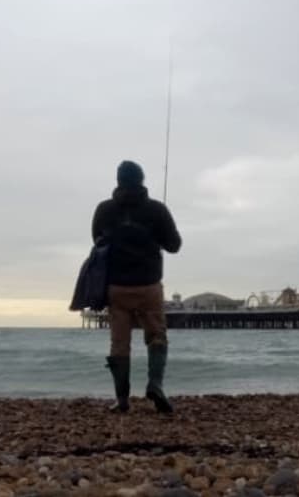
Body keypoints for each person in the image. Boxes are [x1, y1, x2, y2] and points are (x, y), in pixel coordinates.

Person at [91, 159, 182, 413]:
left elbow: (97, 240)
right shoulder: (157, 210)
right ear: (142, 181)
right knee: (156, 336)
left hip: (116, 286)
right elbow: (174, 245)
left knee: (119, 342)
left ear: (118, 181)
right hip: (149, 285)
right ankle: (156, 385)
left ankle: (122, 400)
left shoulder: (104, 210)